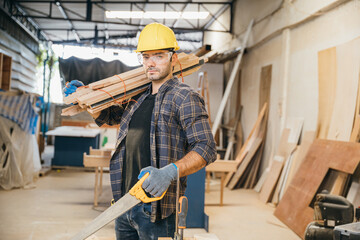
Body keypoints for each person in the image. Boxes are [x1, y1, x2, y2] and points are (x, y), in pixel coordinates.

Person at [64, 22, 216, 240]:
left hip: (157, 210)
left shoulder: (184, 97)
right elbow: (109, 117)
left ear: (173, 58)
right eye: (146, 57)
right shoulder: (137, 96)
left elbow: (207, 148)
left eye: (159, 56)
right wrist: (86, 99)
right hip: (124, 204)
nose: (151, 63)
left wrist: (169, 172)